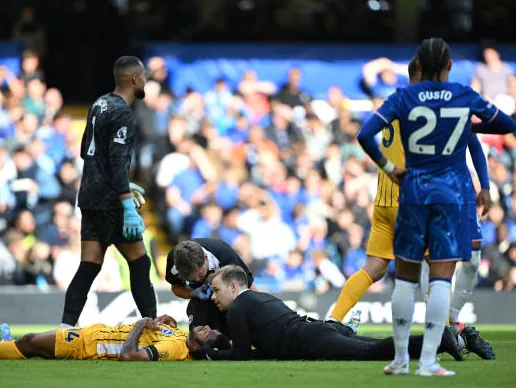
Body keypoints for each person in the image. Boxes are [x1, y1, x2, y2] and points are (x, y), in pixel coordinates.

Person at [357, 38, 516, 376]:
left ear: (418, 66)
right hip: (450, 196)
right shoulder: (462, 95)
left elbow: (365, 134)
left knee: (405, 277)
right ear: (448, 66)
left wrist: (389, 168)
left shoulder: (403, 97)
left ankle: (400, 360)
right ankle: (427, 361)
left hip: (412, 191)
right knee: (442, 277)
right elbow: (507, 124)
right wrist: (464, 124)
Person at [331, 56, 495, 360]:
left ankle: (333, 319)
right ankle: (449, 330)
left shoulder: (394, 100)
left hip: (383, 200)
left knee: (375, 267)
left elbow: (367, 135)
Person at [189, 265, 461, 363]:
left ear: (234, 287)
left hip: (312, 339)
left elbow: (241, 355)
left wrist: (208, 353)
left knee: (373, 351)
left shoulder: (238, 307)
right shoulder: (260, 297)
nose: (213, 297)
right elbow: (259, 351)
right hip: (316, 331)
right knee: (376, 346)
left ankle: (442, 341)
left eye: (216, 290)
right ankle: (444, 339)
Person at [61, 56, 157, 328]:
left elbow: (85, 151)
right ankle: (151, 325)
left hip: (89, 196)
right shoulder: (123, 113)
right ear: (136, 79)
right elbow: (117, 161)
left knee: (89, 265)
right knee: (139, 260)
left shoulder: (99, 104)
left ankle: (65, 329)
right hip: (110, 199)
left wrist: (122, 183)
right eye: (144, 76)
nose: (146, 81)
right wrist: (126, 203)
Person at [0, 315, 229, 362]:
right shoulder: (178, 334)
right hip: (93, 332)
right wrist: (164, 321)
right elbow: (161, 332)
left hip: (87, 345)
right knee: (30, 345)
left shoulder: (174, 348)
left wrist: (140, 324)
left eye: (208, 333)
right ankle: (5, 346)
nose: (204, 328)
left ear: (203, 346)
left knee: (31, 340)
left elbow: (129, 355)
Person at [165, 238, 253, 335]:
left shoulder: (224, 255)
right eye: (191, 278)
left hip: (229, 299)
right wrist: (192, 293)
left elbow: (246, 289)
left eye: (200, 274)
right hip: (200, 299)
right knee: (198, 337)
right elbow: (176, 288)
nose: (198, 280)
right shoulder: (174, 261)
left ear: (206, 258)